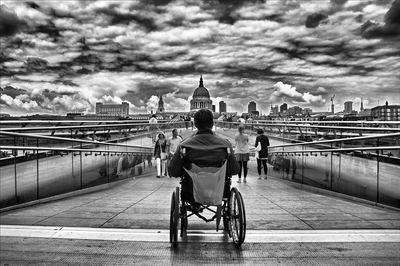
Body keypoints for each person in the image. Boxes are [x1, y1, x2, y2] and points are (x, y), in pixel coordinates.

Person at [169, 109, 239, 203]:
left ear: (195, 124)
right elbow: (234, 170)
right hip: (219, 190)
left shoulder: (184, 145)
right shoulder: (226, 145)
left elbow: (173, 171)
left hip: (191, 191)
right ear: (212, 123)